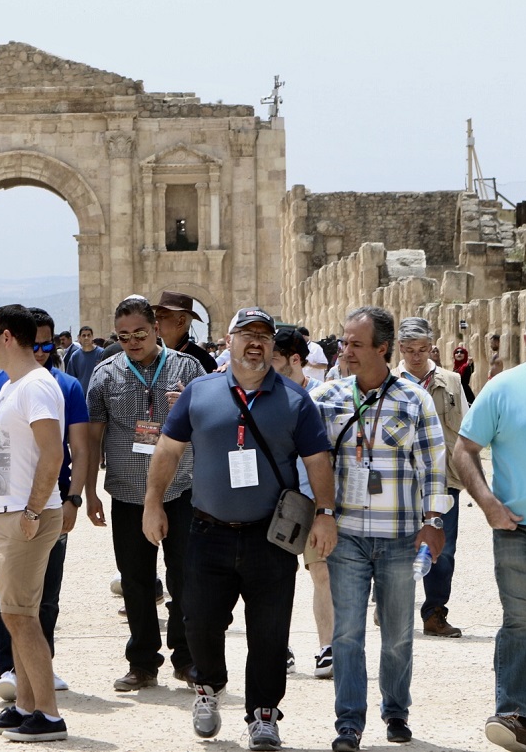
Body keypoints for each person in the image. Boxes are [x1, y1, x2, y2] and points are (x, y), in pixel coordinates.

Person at [143, 307, 335, 748]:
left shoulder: (294, 399)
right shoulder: (200, 391)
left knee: (269, 629)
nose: (255, 342)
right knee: (200, 622)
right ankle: (208, 688)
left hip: (271, 536)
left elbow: (317, 460)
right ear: (227, 341)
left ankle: (263, 715)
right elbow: (168, 451)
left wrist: (325, 514)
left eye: (264, 336)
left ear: (273, 346)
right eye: (246, 334)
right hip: (208, 531)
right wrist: (153, 503)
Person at [310, 306, 449, 752]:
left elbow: (432, 467)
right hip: (346, 534)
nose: (344, 351)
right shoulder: (328, 397)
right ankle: (348, 722)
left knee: (398, 632)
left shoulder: (414, 400)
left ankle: (396, 711)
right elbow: (309, 460)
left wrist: (433, 522)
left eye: (355, 343)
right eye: (343, 342)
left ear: (381, 349)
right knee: (347, 632)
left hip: (399, 537)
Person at [85, 295, 205, 692]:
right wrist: (89, 492)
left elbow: (212, 424)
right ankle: (142, 662)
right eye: (123, 336)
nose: (133, 342)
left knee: (185, 577)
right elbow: (93, 438)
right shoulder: (104, 375)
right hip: (129, 492)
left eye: (139, 333)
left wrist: (190, 407)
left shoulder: (189, 368)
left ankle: (186, 659)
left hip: (181, 489)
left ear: (156, 328)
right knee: (135, 580)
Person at [0, 307, 89, 702]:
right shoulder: (8, 385)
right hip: (7, 512)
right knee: (12, 614)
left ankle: (47, 712)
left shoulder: (35, 385)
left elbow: (53, 454)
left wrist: (34, 511)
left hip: (28, 514)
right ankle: (24, 705)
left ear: (5, 337)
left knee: (22, 617)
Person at [453, 301, 526, 752]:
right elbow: (464, 450)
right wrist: (487, 503)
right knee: (524, 620)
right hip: (518, 528)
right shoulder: (502, 389)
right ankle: (516, 713)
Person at [393, 317, 467, 638]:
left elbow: (465, 428)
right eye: (410, 350)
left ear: (432, 347)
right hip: (402, 480)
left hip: (444, 479)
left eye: (422, 349)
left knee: (443, 549)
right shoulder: (389, 382)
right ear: (400, 349)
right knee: (397, 546)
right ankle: (391, 606)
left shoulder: (450, 382)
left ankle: (435, 613)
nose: (416, 356)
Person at [271, 326, 334, 679]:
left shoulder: (323, 400)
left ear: (296, 360)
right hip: (274, 499)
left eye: (275, 358)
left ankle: (328, 647)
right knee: (275, 578)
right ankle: (278, 645)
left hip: (311, 498)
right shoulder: (262, 396)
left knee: (321, 571)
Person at [151, 290, 217, 374]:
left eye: (162, 317)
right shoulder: (147, 354)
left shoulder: (203, 360)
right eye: (155, 317)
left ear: (180, 322)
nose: (155, 322)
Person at [64, 326, 104, 394]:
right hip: (81, 396)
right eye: (84, 335)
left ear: (92, 337)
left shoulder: (101, 353)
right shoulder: (75, 356)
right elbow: (70, 378)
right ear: (79, 338)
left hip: (99, 395)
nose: (86, 338)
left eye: (89, 335)